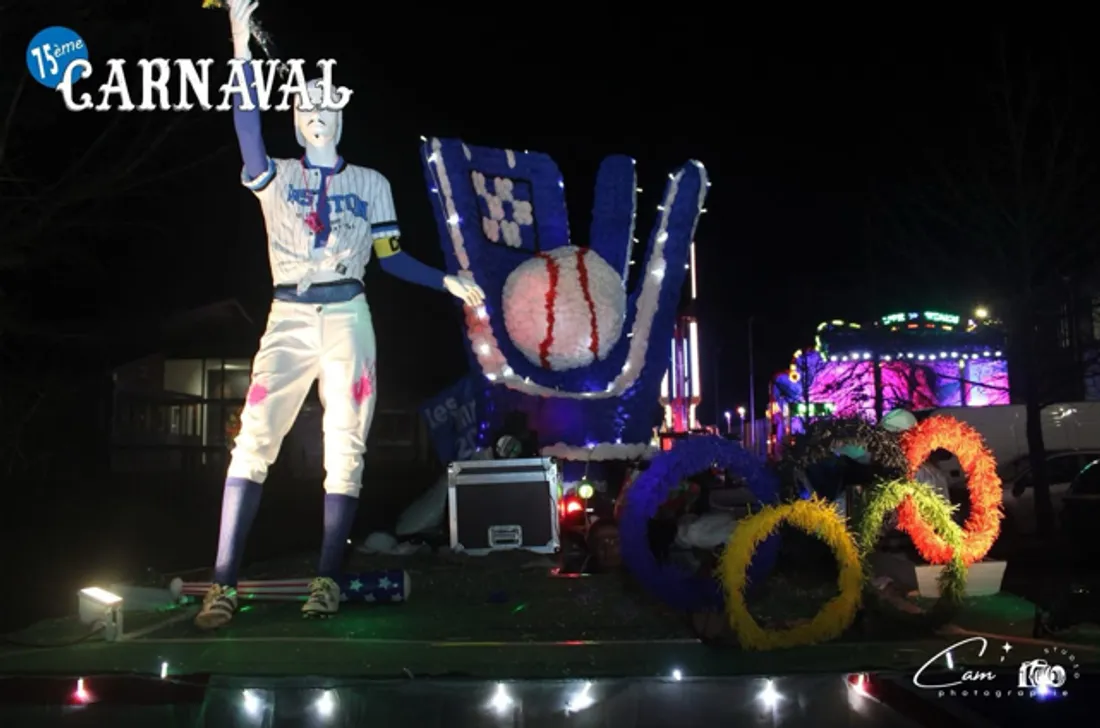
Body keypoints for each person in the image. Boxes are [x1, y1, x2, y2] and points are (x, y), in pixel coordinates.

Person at [195, 0, 485, 630]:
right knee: (254, 439)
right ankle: (223, 583)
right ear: (296, 121)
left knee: (346, 443)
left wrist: (446, 281)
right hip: (289, 315)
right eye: (306, 109)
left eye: (327, 107)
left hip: (349, 314)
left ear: (342, 114)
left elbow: (392, 257)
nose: (317, 116)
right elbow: (247, 128)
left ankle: (326, 579)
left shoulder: (374, 185)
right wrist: (240, 44)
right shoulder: (274, 177)